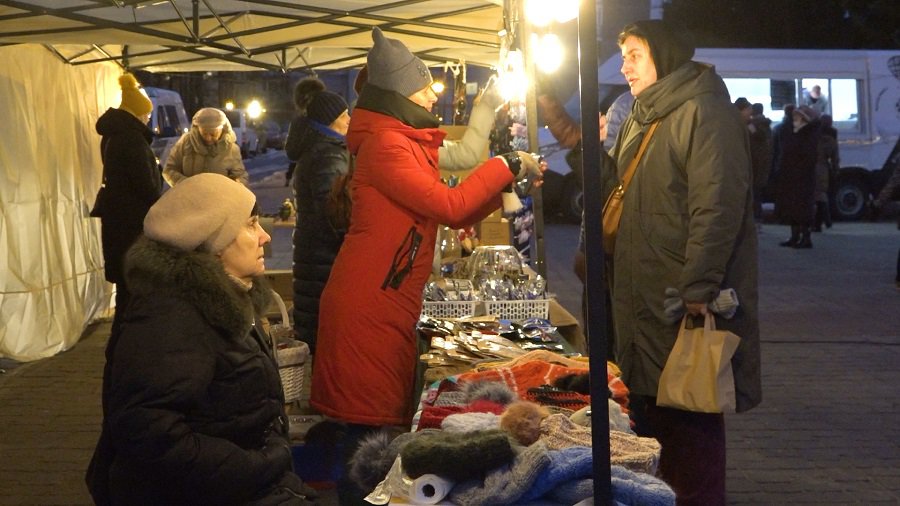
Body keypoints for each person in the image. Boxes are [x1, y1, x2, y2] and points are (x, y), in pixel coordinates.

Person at [309, 27, 544, 504]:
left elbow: (447, 208)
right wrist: (506, 166)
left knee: (373, 429)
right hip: (369, 303)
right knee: (364, 435)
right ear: (399, 91)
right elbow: (450, 205)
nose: (430, 96)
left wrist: (502, 182)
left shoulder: (400, 139)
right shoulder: (387, 146)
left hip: (385, 296)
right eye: (422, 87)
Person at [86, 173, 317, 505]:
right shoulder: (172, 315)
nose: (265, 235)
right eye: (251, 225)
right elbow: (148, 431)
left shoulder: (227, 299)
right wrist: (255, 465)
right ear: (214, 242)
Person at [609, 20, 760, 504]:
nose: (624, 64)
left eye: (634, 53)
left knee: (690, 413)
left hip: (681, 300)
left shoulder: (703, 111)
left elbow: (717, 205)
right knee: (654, 410)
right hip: (644, 290)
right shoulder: (645, 113)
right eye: (623, 54)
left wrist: (697, 286)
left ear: (664, 55)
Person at [93, 72, 162, 347]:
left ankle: (123, 348)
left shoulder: (113, 135)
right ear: (136, 115)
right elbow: (147, 187)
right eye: (145, 116)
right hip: (131, 229)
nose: (147, 121)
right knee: (131, 296)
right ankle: (126, 350)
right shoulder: (131, 140)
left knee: (126, 294)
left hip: (118, 227)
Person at [291, 88, 352, 355]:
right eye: (344, 114)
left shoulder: (318, 148)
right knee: (326, 341)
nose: (349, 118)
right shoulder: (328, 153)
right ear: (331, 120)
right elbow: (334, 211)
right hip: (324, 261)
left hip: (313, 258)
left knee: (318, 336)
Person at [163, 107, 248, 186]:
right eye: (204, 133)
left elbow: (240, 176)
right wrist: (186, 185)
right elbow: (169, 170)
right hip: (189, 198)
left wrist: (234, 186)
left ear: (222, 130)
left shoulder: (231, 149)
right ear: (197, 129)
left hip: (219, 199)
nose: (208, 138)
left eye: (213, 134)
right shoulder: (185, 143)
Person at [776, 105, 821, 248]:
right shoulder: (794, 132)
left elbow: (808, 155)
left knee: (803, 206)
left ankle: (805, 237)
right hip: (792, 174)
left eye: (797, 117)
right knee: (793, 206)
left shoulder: (808, 134)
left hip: (803, 176)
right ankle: (795, 235)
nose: (794, 120)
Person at [284, 77, 326, 186]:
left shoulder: (299, 122)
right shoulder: (333, 118)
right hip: (332, 179)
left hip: (306, 179)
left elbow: (292, 153)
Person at [748, 103, 773, 224]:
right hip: (763, 164)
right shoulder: (766, 125)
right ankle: (758, 219)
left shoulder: (753, 126)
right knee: (757, 193)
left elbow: (756, 138)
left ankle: (756, 219)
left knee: (754, 194)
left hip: (755, 164)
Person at [814, 114, 840, 231]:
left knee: (817, 196)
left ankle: (823, 220)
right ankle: (823, 220)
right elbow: (835, 156)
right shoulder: (832, 137)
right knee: (821, 194)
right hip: (824, 168)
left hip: (813, 167)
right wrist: (835, 169)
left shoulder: (814, 135)